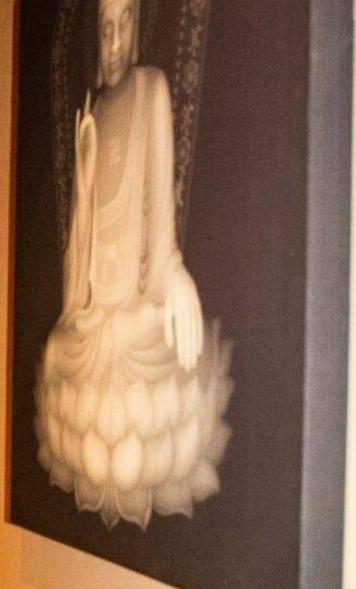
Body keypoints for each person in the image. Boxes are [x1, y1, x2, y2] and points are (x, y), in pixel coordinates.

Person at [35, 0, 233, 529]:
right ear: (95, 38)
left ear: (138, 27)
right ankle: (122, 439)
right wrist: (84, 168)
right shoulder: (95, 115)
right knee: (57, 351)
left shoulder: (152, 90)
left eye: (125, 25)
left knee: (144, 333)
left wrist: (174, 273)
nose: (116, 42)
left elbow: (161, 219)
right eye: (106, 29)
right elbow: (80, 252)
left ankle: (110, 440)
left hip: (134, 309)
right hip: (96, 313)